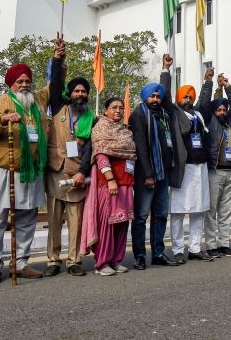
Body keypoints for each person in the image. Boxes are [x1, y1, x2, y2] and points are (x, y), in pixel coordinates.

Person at [0, 36, 65, 284]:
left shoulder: (38, 99)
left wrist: (58, 60)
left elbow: (55, 84)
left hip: (32, 170)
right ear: (11, 84)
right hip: (4, 170)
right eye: (20, 81)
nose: (25, 84)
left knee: (27, 218)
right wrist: (2, 120)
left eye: (27, 81)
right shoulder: (0, 102)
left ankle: (21, 262)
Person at [163, 57, 214, 263]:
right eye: (184, 96)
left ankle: (194, 248)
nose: (187, 99)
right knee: (178, 211)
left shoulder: (198, 115)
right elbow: (165, 96)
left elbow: (204, 101)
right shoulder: (174, 113)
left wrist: (208, 81)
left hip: (200, 168)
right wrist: (166, 70)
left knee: (198, 210)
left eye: (190, 96)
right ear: (178, 98)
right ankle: (177, 249)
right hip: (183, 169)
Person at [81, 97, 136, 276]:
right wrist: (111, 179)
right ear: (105, 110)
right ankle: (102, 262)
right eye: (114, 107)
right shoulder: (101, 128)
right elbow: (101, 156)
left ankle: (116, 260)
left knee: (122, 222)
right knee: (107, 223)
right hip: (108, 183)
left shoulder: (125, 131)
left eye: (121, 108)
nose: (118, 111)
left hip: (126, 182)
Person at [44, 71, 91, 278]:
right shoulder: (57, 108)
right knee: (54, 220)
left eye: (84, 91)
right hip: (55, 171)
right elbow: (55, 84)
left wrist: (82, 172)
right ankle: (53, 260)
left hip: (76, 175)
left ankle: (74, 261)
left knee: (76, 221)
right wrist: (57, 61)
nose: (80, 94)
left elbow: (90, 149)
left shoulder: (91, 118)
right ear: (69, 93)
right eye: (76, 91)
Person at [129, 76, 178, 270]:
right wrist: (148, 174)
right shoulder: (138, 115)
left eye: (158, 96)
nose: (156, 99)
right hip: (146, 175)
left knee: (161, 215)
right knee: (141, 217)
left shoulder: (164, 115)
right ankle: (140, 256)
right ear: (145, 98)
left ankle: (158, 253)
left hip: (163, 173)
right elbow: (140, 147)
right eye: (152, 96)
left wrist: (166, 72)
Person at [202, 72, 231, 258]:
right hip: (215, 171)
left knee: (226, 211)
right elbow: (204, 104)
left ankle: (224, 244)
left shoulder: (229, 121)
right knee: (211, 210)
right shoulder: (210, 120)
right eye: (219, 110)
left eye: (224, 110)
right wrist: (208, 82)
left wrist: (227, 86)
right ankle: (211, 245)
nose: (222, 112)